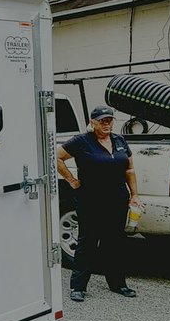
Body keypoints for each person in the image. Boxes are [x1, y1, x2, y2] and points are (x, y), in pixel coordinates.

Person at [56, 105, 144, 302]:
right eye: (102, 120)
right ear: (92, 122)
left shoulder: (119, 141)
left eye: (110, 120)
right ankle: (78, 287)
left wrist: (134, 194)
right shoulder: (82, 141)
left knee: (114, 241)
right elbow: (58, 157)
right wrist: (72, 180)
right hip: (91, 198)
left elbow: (129, 170)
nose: (107, 124)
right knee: (88, 241)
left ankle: (118, 284)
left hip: (117, 197)